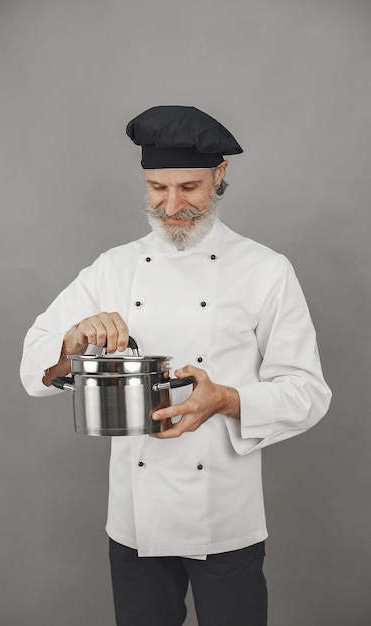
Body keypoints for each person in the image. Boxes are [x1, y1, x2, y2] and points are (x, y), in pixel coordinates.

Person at [20, 105, 332, 626]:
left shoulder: (265, 271)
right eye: (156, 188)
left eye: (188, 187)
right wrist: (71, 345)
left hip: (225, 516)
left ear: (220, 176)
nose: (171, 205)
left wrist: (226, 401)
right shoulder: (113, 267)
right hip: (135, 521)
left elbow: (307, 393)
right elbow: (35, 369)